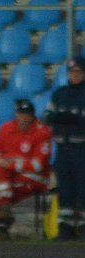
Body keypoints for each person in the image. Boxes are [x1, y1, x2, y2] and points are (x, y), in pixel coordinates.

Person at [0, 100, 52, 241]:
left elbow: (37, 165)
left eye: (26, 115)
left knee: (2, 188)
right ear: (16, 115)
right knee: (2, 175)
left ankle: (2, 224)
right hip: (13, 176)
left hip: (35, 178)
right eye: (20, 114)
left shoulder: (42, 132)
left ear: (33, 116)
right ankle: (3, 220)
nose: (23, 118)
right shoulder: (6, 128)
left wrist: (10, 164)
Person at [43, 57, 85, 241]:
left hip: (81, 148)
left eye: (78, 72)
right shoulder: (60, 93)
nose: (74, 76)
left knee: (83, 189)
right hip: (62, 148)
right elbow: (46, 115)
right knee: (65, 189)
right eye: (71, 72)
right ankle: (65, 228)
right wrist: (69, 117)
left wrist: (63, 117)